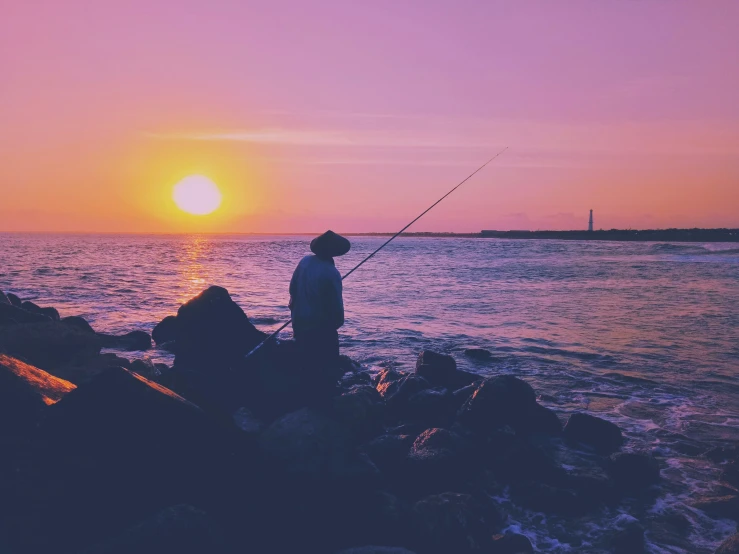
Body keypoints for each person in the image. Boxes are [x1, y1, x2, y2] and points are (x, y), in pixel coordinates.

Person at [289, 230, 350, 404]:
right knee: (325, 370)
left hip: (298, 322)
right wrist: (335, 325)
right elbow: (337, 310)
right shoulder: (331, 273)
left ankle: (304, 395)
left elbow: (292, 289)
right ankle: (325, 399)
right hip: (318, 329)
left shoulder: (305, 261)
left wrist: (297, 308)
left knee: (305, 365)